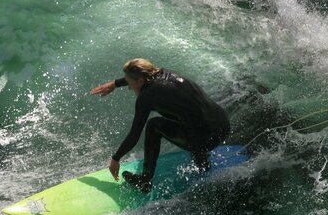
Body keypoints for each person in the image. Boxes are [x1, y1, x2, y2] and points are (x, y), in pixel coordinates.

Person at [90, 58, 230, 193]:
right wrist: (115, 84)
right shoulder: (167, 74)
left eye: (128, 80)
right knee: (184, 112)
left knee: (153, 125)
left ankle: (145, 180)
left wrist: (116, 159)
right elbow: (141, 77)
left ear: (139, 80)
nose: (128, 85)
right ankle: (202, 158)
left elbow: (134, 135)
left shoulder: (147, 97)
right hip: (223, 127)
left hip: (206, 140)